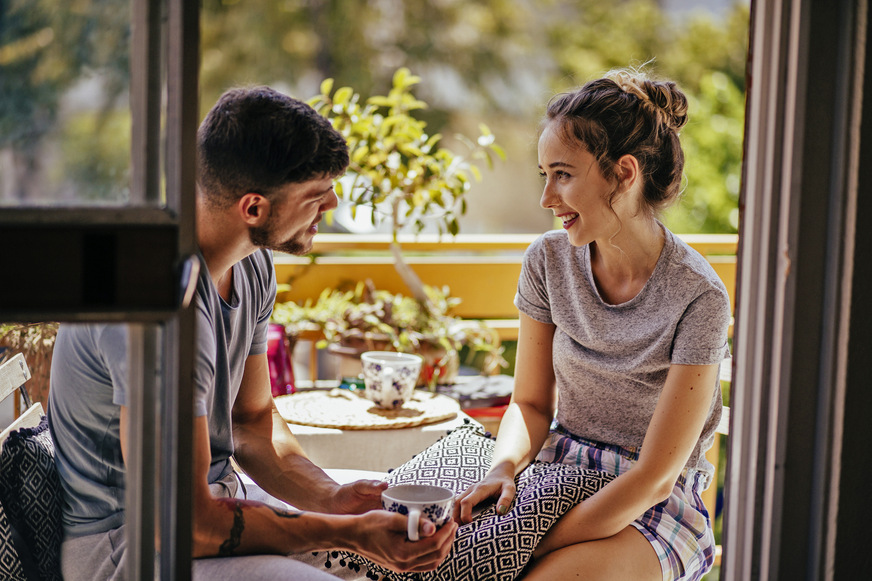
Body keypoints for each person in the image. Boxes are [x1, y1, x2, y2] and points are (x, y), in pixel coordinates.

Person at [48, 86, 458, 581]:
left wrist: (333, 500)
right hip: (131, 547)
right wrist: (345, 532)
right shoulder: (154, 293)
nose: (332, 203)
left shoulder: (253, 263)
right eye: (315, 195)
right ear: (254, 209)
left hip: (218, 502)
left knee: (420, 545)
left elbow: (252, 421)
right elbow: (182, 523)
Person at [454, 69, 731, 581]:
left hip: (651, 504)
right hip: (558, 477)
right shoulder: (546, 262)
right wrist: (504, 468)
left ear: (624, 173)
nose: (547, 198)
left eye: (562, 174)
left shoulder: (699, 295)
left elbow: (655, 478)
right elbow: (531, 404)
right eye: (545, 175)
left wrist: (527, 546)